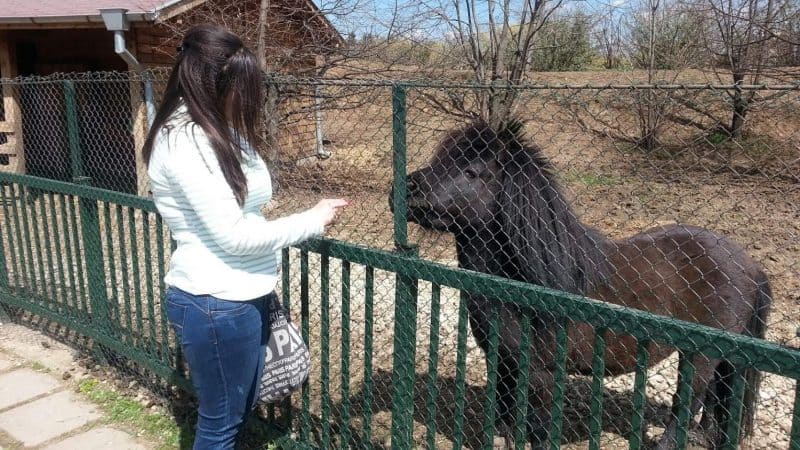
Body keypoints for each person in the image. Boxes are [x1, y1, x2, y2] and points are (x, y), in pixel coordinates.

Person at [142, 24, 347, 449]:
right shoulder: (185, 140)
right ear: (217, 82)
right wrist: (313, 218)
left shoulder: (216, 129)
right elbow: (233, 237)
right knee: (221, 425)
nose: (251, 99)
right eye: (245, 88)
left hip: (238, 296)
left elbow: (242, 209)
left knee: (237, 411)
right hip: (216, 302)